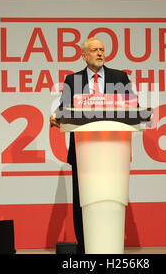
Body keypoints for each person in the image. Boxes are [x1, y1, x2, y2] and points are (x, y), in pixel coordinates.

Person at [49, 37, 134, 254]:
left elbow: (135, 109)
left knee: (110, 198)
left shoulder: (120, 77)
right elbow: (64, 109)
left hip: (114, 152)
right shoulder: (72, 80)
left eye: (102, 50)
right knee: (83, 200)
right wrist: (56, 117)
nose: (99, 53)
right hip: (83, 152)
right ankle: (85, 248)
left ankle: (111, 248)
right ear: (84, 56)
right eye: (94, 50)